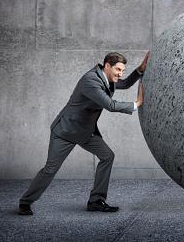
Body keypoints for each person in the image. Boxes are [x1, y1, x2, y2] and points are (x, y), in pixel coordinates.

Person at [18, 51, 149, 215]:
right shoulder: (91, 80)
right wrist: (137, 104)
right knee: (50, 169)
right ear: (107, 66)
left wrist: (140, 69)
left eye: (122, 70)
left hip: (85, 131)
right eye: (118, 70)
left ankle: (96, 201)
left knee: (107, 156)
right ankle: (25, 202)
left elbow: (125, 83)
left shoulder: (107, 78)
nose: (120, 74)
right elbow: (110, 105)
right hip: (66, 130)